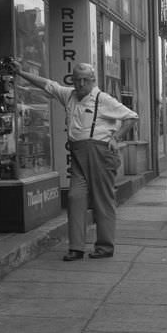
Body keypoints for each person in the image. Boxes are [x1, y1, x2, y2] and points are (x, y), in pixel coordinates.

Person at [12, 60, 138, 260]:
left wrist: (116, 137)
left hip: (100, 153)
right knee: (74, 197)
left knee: (102, 200)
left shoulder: (103, 99)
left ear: (92, 81)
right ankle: (76, 247)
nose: (80, 84)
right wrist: (21, 73)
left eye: (84, 80)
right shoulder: (69, 95)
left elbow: (131, 117)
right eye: (76, 80)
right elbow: (48, 85)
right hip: (79, 154)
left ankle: (105, 247)